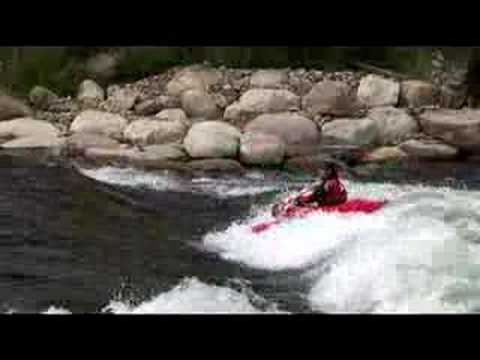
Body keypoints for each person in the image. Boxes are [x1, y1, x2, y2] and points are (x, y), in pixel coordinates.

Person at [271, 162, 348, 217]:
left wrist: (299, 200)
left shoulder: (328, 184)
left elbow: (313, 197)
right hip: (335, 204)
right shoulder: (335, 181)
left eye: (322, 171)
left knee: (300, 202)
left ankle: (282, 212)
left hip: (329, 207)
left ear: (329, 171)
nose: (320, 172)